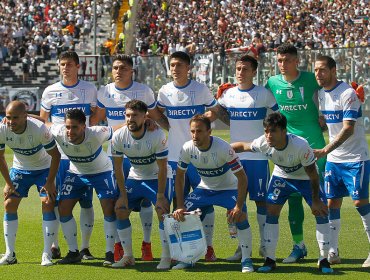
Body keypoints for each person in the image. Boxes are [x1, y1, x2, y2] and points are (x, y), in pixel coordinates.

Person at [231, 112, 333, 273]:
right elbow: (243, 146)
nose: (268, 135)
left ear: (284, 131)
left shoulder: (300, 146)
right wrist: (222, 149)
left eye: (273, 131)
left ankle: (324, 260)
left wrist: (315, 200)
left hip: (305, 178)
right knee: (271, 211)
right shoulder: (263, 142)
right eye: (266, 131)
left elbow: (313, 174)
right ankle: (270, 260)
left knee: (321, 212)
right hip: (282, 177)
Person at [94, 54, 169, 262]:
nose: (119, 71)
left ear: (131, 71)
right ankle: (120, 248)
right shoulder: (104, 91)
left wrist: (153, 124)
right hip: (117, 152)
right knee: (119, 201)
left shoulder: (143, 90)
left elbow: (154, 116)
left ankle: (147, 244)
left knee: (146, 202)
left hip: (143, 152)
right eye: (116, 68)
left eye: (123, 68)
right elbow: (97, 120)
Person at [157, 51, 229, 262]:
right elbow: (159, 114)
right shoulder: (164, 91)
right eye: (172, 65)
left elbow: (214, 110)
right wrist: (163, 125)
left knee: (204, 203)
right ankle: (175, 249)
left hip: (198, 158)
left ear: (188, 68)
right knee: (173, 206)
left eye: (179, 65)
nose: (175, 68)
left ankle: (207, 247)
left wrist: (210, 116)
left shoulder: (199, 89)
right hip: (173, 157)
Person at [265, 43, 326, 263]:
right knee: (292, 200)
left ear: (297, 61)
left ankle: (328, 250)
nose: (283, 64)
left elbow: (332, 91)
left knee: (321, 197)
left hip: (316, 146)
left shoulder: (311, 79)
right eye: (279, 60)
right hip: (287, 148)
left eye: (287, 60)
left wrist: (325, 116)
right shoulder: (271, 82)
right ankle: (298, 245)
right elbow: (257, 102)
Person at [217, 54, 278, 260]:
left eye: (245, 69)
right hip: (235, 159)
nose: (240, 73)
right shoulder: (228, 95)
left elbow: (280, 117)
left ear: (254, 72)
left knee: (261, 202)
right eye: (238, 69)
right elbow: (217, 114)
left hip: (258, 158)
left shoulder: (264, 94)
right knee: (237, 203)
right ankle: (243, 248)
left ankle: (263, 244)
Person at [172, 114, 252, 272]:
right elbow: (180, 177)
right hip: (205, 189)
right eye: (193, 131)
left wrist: (238, 205)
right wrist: (180, 206)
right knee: (184, 216)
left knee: (241, 215)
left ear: (209, 132)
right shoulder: (187, 148)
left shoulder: (223, 148)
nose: (195, 135)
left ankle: (246, 259)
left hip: (228, 188)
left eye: (199, 131)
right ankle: (189, 258)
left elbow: (242, 178)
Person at [40, 51, 98, 260]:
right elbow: (43, 120)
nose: (66, 68)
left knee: (86, 202)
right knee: (55, 201)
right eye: (63, 64)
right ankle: (55, 245)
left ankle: (84, 247)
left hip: (83, 157)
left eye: (70, 64)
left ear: (78, 67)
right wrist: (58, 131)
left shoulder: (89, 90)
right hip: (59, 157)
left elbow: (97, 115)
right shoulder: (50, 91)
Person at [313, 55, 370, 267]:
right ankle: (333, 251)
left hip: (356, 158)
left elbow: (348, 128)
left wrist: (325, 149)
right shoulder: (320, 94)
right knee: (332, 203)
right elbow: (326, 122)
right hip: (334, 161)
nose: (318, 74)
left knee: (359, 202)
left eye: (322, 70)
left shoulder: (347, 94)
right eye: (316, 70)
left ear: (333, 70)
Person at [48, 109, 119, 265]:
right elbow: (44, 123)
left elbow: (119, 129)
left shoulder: (96, 133)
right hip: (76, 173)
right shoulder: (59, 131)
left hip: (102, 172)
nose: (69, 131)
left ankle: (110, 253)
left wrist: (144, 121)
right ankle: (73, 252)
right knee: (63, 208)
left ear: (84, 127)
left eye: (74, 127)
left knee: (108, 207)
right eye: (67, 127)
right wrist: (26, 117)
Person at [110, 100, 173, 269]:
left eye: (135, 115)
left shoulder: (157, 135)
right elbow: (118, 168)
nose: (130, 119)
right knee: (120, 209)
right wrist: (123, 196)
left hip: (158, 177)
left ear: (145, 117)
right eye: (128, 115)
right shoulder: (119, 136)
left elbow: (162, 169)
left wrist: (160, 197)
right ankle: (128, 256)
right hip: (135, 177)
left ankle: (166, 257)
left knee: (162, 211)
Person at [0, 101, 61, 266]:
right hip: (20, 169)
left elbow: (56, 156)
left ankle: (47, 254)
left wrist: (50, 182)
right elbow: (0, 157)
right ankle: (10, 254)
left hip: (44, 168)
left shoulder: (40, 129)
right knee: (9, 204)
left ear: (25, 116)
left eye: (15, 118)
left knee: (48, 202)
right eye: (8, 117)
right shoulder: (2, 128)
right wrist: (8, 183)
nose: (10, 121)